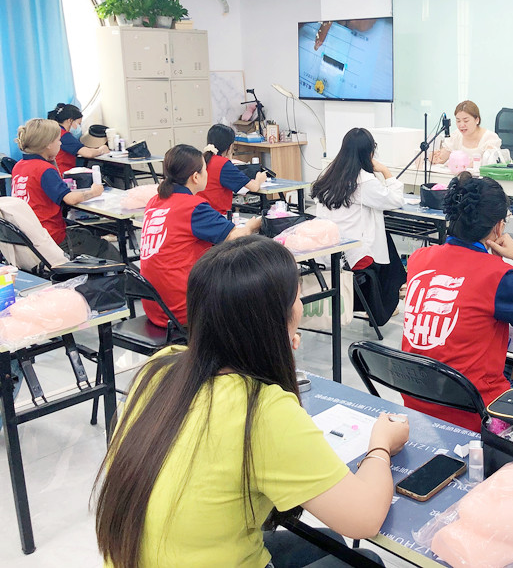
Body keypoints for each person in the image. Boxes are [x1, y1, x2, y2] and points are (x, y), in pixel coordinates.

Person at [94, 235, 408, 567]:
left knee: (330, 542)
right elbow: (364, 519)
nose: (300, 306)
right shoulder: (262, 411)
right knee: (367, 561)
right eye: (296, 298)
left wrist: (272, 350)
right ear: (275, 320)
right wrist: (381, 446)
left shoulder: (160, 368)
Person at [401, 172, 513, 431]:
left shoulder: (419, 258)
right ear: (498, 227)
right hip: (474, 409)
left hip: (419, 398)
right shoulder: (496, 275)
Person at [140, 144, 262, 328]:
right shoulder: (192, 207)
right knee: (250, 295)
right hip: (183, 308)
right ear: (195, 177)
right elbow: (235, 237)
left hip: (156, 306)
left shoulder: (155, 201)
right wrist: (255, 224)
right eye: (205, 170)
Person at [312, 128, 406, 324]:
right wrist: (385, 171)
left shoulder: (328, 174)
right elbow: (395, 200)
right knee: (389, 259)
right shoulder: (364, 181)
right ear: (369, 153)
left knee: (386, 243)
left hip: (325, 251)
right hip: (350, 255)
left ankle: (383, 301)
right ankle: (380, 307)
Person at [11, 118, 119, 261]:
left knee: (83, 232)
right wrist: (94, 192)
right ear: (48, 144)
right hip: (51, 238)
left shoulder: (19, 166)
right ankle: (122, 274)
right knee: (104, 247)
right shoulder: (44, 169)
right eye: (58, 140)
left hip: (28, 235)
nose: (60, 144)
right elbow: (70, 199)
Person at [197, 124, 268, 214]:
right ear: (230, 146)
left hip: (199, 213)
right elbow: (254, 187)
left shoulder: (201, 159)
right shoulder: (223, 164)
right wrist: (259, 179)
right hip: (217, 215)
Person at [430, 100, 502, 165]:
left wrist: (463, 164)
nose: (461, 125)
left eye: (466, 121)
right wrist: (435, 157)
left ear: (477, 120)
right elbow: (442, 157)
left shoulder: (490, 138)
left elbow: (489, 163)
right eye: (458, 121)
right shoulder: (456, 135)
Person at [47, 103, 110, 175]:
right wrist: (101, 150)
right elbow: (88, 153)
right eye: (78, 123)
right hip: (63, 173)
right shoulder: (64, 135)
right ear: (70, 121)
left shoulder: (53, 131)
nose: (79, 127)